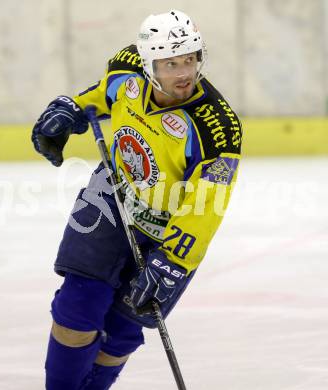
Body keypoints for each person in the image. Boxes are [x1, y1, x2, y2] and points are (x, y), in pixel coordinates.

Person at [32, 9, 242, 390]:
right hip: (111, 197)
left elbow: (206, 207)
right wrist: (73, 110)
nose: (184, 73)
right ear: (148, 64)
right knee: (77, 307)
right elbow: (104, 95)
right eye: (170, 63)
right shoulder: (126, 66)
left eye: (190, 59)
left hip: (168, 233)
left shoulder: (218, 129)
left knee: (122, 334)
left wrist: (173, 262)